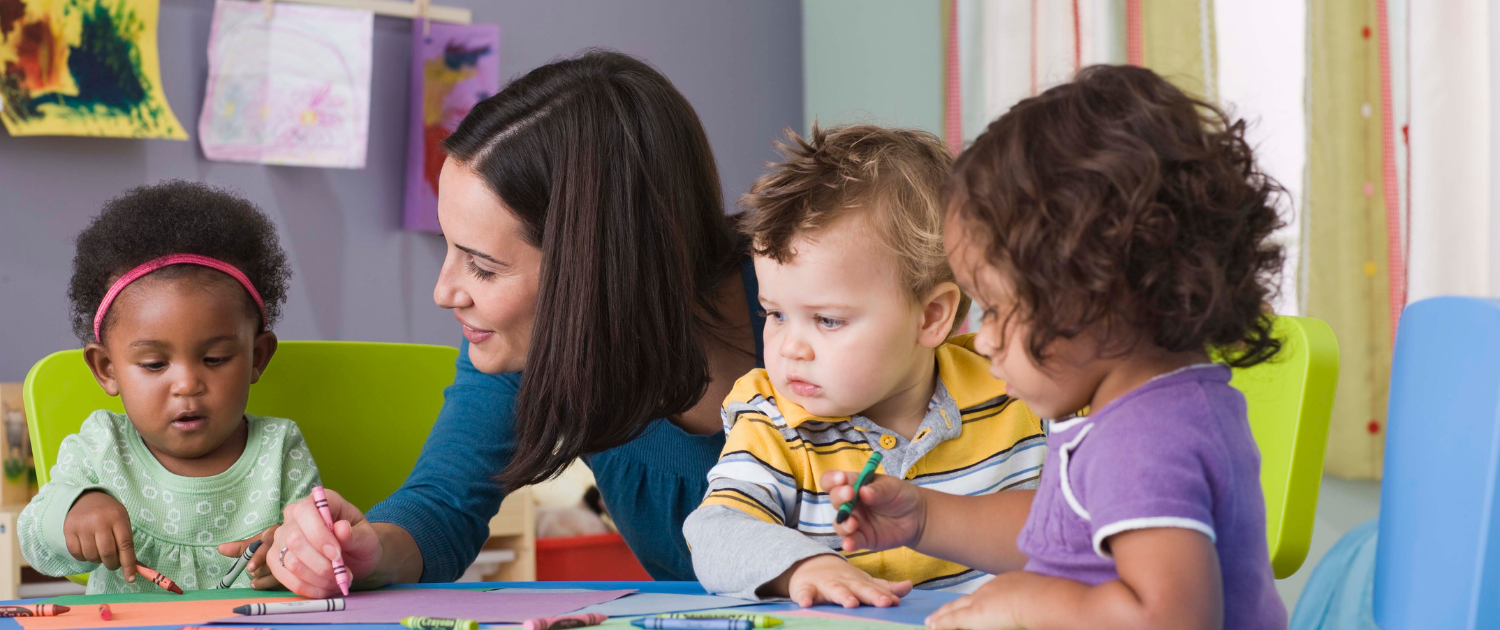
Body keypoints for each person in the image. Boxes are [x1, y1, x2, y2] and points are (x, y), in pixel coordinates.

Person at [254, 50, 765, 597]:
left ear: (598, 270)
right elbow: (443, 504)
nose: (444, 291)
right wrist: (367, 551)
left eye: (482, 265)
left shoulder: (815, 317)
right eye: (449, 247)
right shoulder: (528, 342)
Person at [825, 65, 1289, 629]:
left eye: (995, 308)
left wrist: (1024, 604)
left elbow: (1169, 619)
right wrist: (924, 517)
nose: (984, 339)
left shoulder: (1146, 437)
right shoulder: (1136, 411)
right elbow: (1068, 539)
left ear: (1095, 290)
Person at [684, 125, 1045, 607]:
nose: (791, 347)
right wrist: (804, 566)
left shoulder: (1017, 380)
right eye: (774, 314)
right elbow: (714, 533)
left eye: (828, 320)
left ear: (932, 316)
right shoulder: (772, 416)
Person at [21, 181, 320, 593]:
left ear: (258, 356)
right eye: (154, 364)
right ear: (107, 369)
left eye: (214, 359)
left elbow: (318, 550)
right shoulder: (102, 446)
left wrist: (292, 556)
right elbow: (35, 540)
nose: (187, 384)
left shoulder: (279, 449)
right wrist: (73, 510)